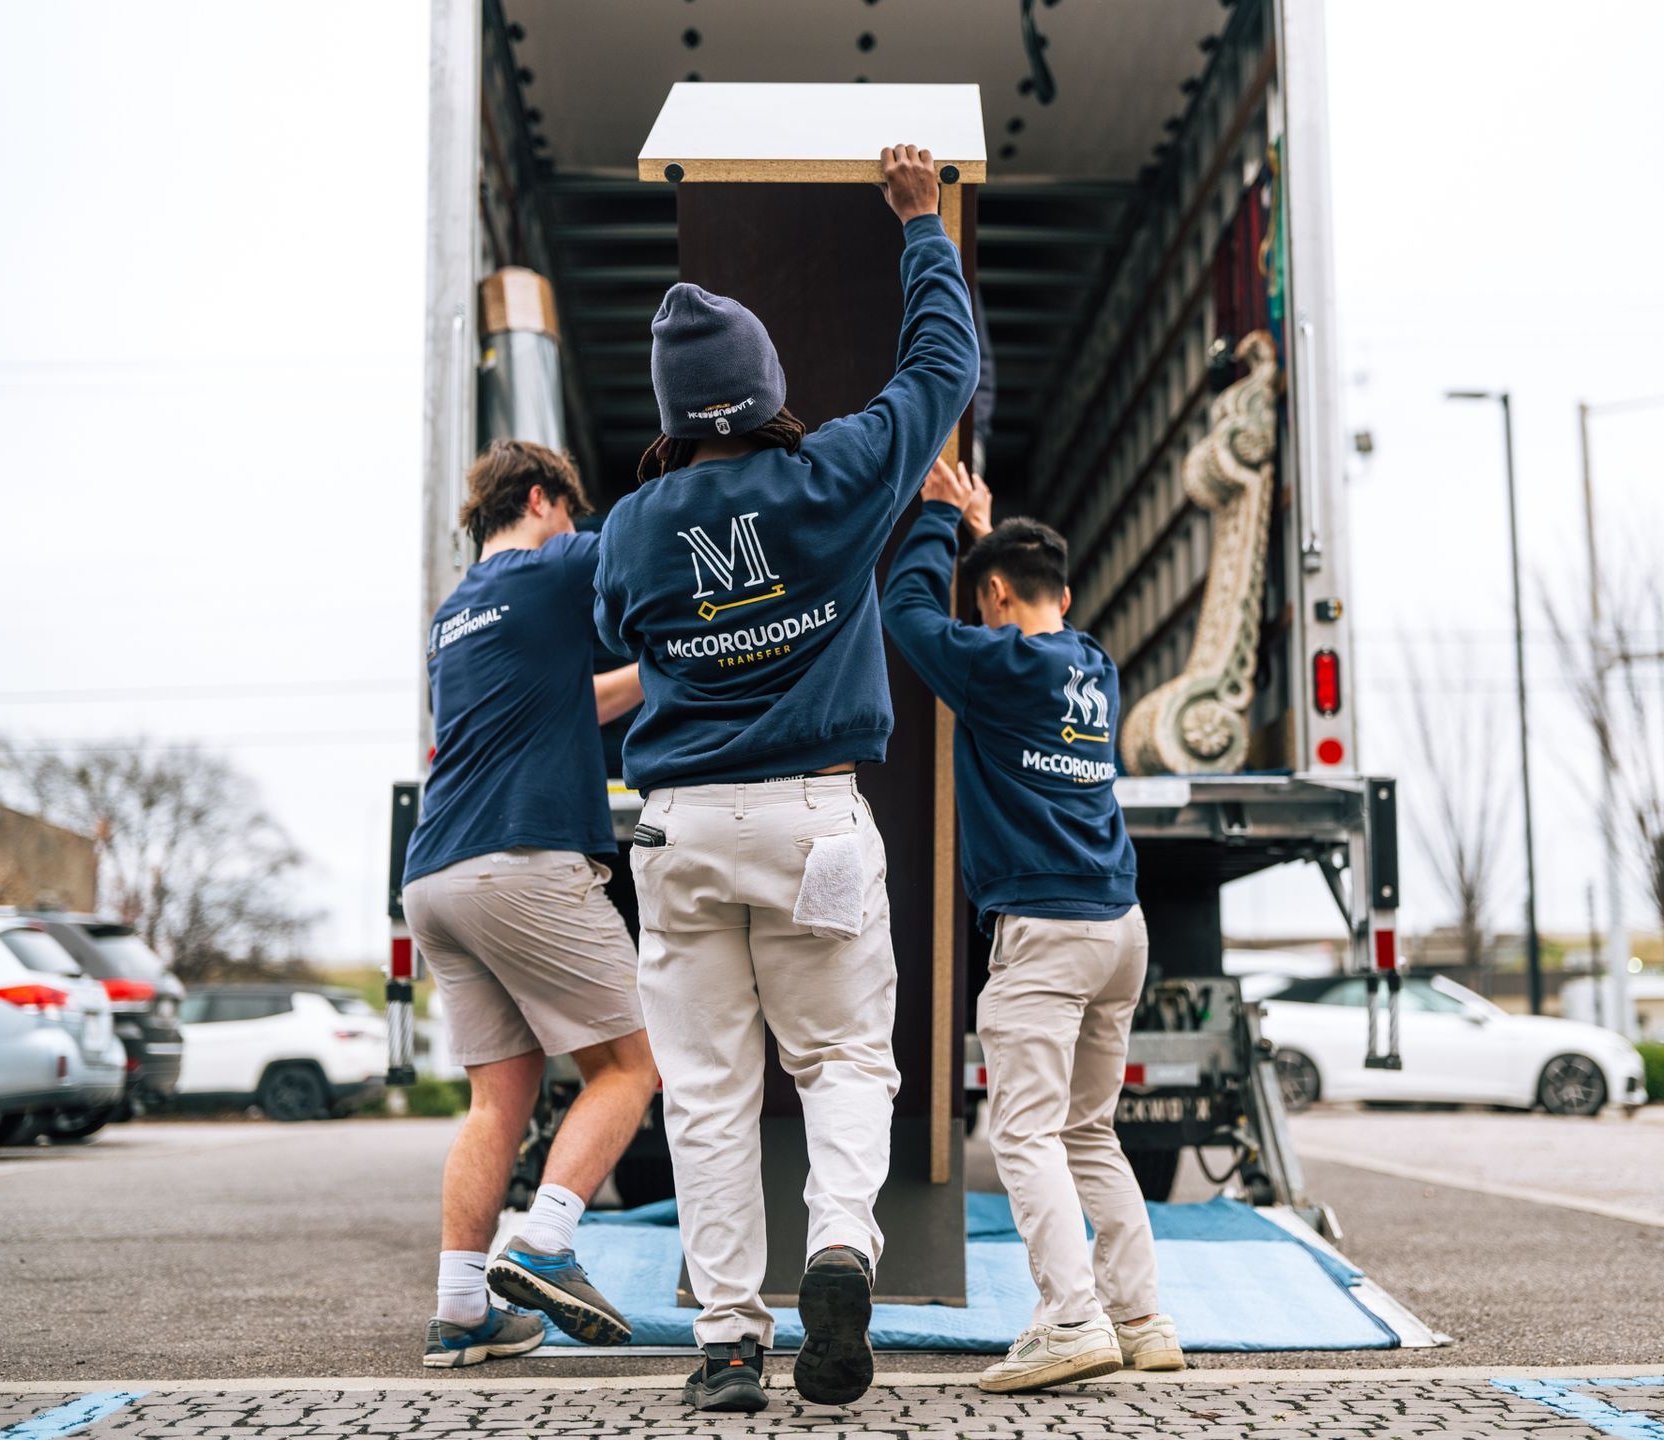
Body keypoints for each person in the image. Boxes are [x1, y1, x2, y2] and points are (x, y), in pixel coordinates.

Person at [592, 144, 976, 1414]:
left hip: (684, 833)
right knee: (848, 1066)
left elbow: (617, 634)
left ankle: (724, 1344)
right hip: (815, 823)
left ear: (667, 411)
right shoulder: (836, 477)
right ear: (764, 388)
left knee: (707, 1094)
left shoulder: (633, 531)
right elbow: (942, 371)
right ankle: (838, 1250)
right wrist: (918, 224)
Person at [880, 459, 1183, 1394]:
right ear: (1069, 592)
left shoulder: (995, 669)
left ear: (998, 596)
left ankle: (1070, 1318)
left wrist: (936, 521)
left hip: (1044, 933)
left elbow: (909, 617)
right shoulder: (1094, 664)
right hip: (1119, 926)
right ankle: (1143, 1320)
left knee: (1024, 1136)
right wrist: (986, 530)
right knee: (1090, 1133)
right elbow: (1020, 603)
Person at [401, 439, 659, 1369]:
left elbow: (561, 705)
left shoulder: (454, 613)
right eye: (568, 512)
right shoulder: (554, 562)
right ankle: (546, 1241)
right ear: (546, 500)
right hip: (522, 861)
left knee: (496, 1100)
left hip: (436, 878)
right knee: (631, 1064)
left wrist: (654, 679)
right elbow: (647, 535)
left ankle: (460, 1309)